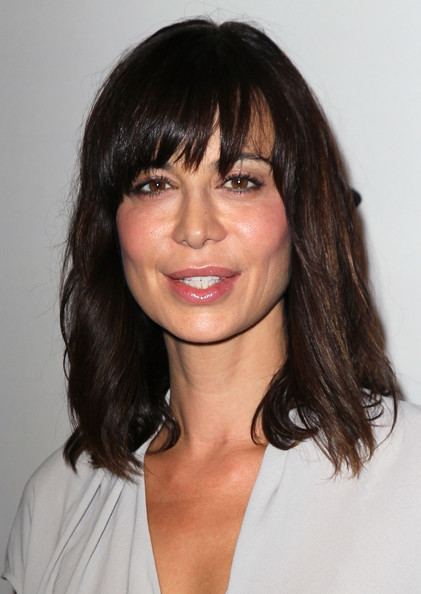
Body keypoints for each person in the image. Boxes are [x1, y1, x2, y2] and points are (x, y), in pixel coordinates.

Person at [3, 18, 421, 594]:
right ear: (112, 225)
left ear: (303, 212)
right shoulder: (56, 505)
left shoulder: (410, 481)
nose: (195, 230)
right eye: (155, 184)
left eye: (240, 181)